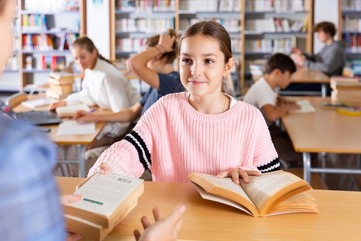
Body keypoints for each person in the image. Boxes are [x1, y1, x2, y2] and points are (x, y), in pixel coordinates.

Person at [0, 0, 184, 241]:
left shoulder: (168, 83)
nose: (9, 47)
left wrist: (40, 218)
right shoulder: (11, 152)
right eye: (10, 22)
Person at [89, 21, 280, 184]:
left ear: (227, 67)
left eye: (208, 61)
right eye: (187, 60)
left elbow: (272, 182)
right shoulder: (165, 108)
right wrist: (106, 169)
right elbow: (129, 152)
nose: (195, 71)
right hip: (173, 220)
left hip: (230, 223)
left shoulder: (251, 118)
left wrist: (247, 179)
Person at [73, 30, 184, 174]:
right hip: (133, 149)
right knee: (86, 158)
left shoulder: (172, 82)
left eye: (146, 55)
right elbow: (131, 113)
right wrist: (91, 117)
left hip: (146, 161)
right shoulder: (156, 85)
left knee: (85, 162)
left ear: (159, 57)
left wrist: (160, 47)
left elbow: (133, 63)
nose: (143, 60)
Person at [49, 36, 141, 146]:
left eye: (83, 57)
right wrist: (65, 102)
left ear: (94, 53)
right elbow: (88, 95)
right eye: (76, 58)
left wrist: (101, 130)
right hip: (110, 118)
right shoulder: (90, 69)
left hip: (128, 128)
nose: (80, 62)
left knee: (82, 145)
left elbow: (124, 120)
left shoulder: (108, 76)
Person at [243, 53, 302, 168]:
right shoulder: (263, 89)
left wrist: (281, 99)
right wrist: (286, 108)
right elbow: (272, 115)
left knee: (295, 137)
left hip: (261, 131)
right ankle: (296, 168)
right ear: (277, 73)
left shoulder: (266, 83)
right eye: (289, 76)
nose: (289, 81)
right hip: (257, 138)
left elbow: (272, 96)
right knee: (299, 144)